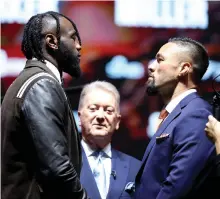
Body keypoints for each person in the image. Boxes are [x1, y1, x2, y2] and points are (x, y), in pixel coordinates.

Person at [1, 11, 89, 199]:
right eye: (73, 38)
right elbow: (57, 168)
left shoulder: (32, 80)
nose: (79, 46)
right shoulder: (42, 84)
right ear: (52, 41)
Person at [134, 37, 217, 199]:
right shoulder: (177, 114)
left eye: (159, 60)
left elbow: (177, 187)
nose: (151, 66)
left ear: (184, 69)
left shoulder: (196, 114)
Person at [78, 81, 141, 199]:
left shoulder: (136, 168)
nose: (101, 116)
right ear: (80, 117)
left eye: (108, 111)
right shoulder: (62, 164)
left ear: (117, 122)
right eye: (93, 109)